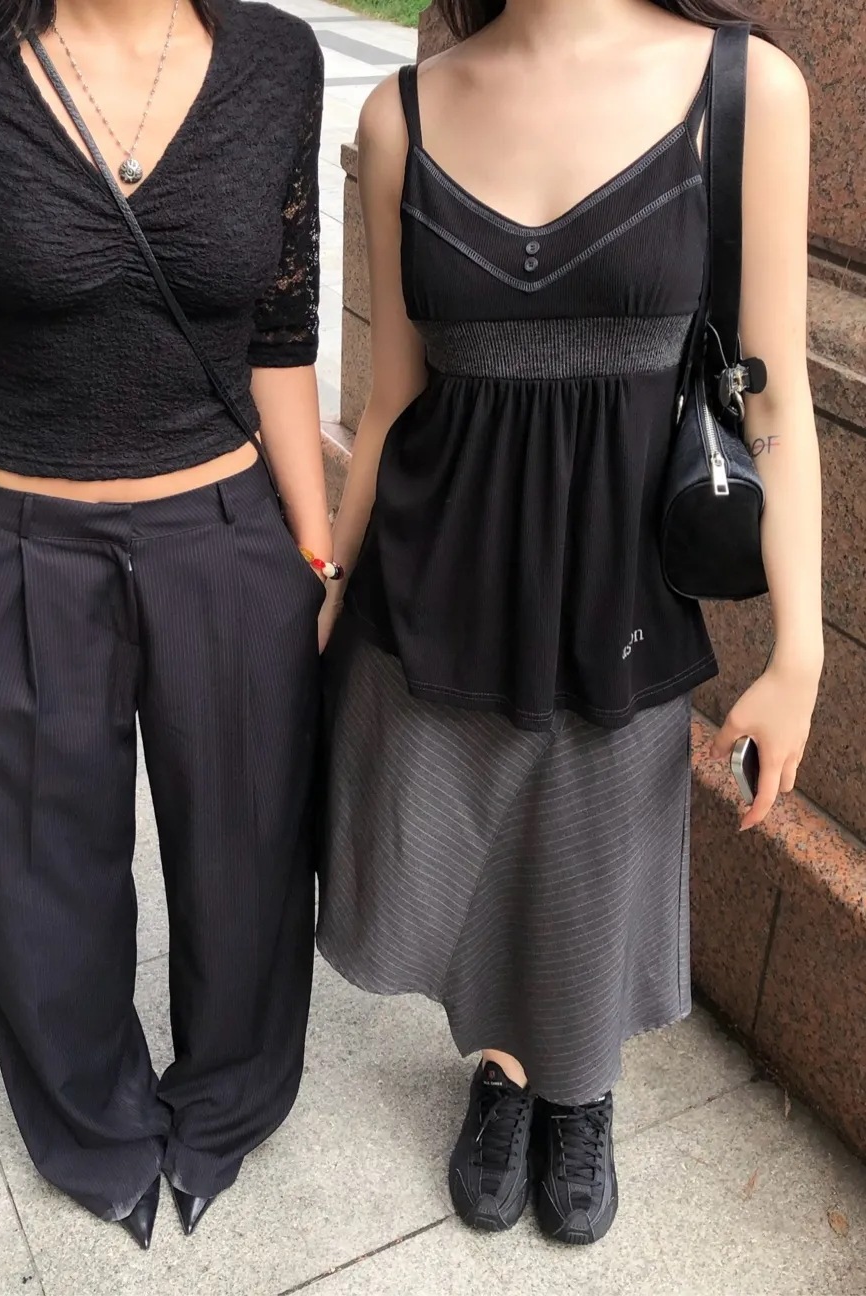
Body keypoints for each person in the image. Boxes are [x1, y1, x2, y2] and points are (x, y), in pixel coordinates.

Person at [317, 0, 821, 1247]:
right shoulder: (402, 114)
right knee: (476, 835)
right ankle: (503, 1069)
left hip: (622, 582)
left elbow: (774, 399)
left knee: (596, 844)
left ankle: (579, 1087)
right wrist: (333, 583)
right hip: (441, 573)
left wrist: (801, 652)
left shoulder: (745, 91)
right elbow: (391, 400)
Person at [0, 0, 330, 1249]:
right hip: (23, 544)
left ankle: (228, 1097)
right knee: (40, 869)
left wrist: (312, 551)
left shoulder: (277, 60)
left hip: (228, 536)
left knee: (248, 857)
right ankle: (92, 1120)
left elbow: (283, 337)